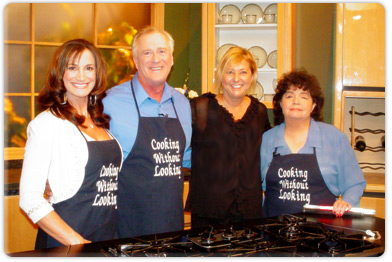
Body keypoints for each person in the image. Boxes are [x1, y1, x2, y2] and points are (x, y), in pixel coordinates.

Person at [19, 39, 123, 249]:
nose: (82, 76)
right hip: (66, 244)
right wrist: (79, 244)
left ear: (97, 73)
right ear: (60, 73)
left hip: (105, 237)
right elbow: (29, 199)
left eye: (89, 68)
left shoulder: (100, 121)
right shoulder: (47, 125)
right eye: (73, 68)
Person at [103, 26, 192, 238]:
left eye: (162, 51)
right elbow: (86, 152)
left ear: (171, 59)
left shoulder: (182, 103)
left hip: (171, 225)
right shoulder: (110, 101)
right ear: (135, 60)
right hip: (126, 226)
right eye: (147, 52)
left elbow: (186, 157)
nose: (155, 59)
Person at [260, 69, 366, 218]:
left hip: (321, 235)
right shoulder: (266, 140)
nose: (296, 101)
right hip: (274, 233)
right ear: (280, 103)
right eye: (289, 95)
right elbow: (255, 187)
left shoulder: (335, 138)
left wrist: (347, 201)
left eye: (304, 97)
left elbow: (355, 184)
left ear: (314, 105)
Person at [185, 46, 271, 229]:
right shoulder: (201, 108)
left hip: (249, 211)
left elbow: (268, 155)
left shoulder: (260, 112)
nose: (236, 79)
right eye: (230, 72)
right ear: (220, 76)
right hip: (209, 211)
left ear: (252, 76)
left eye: (243, 72)